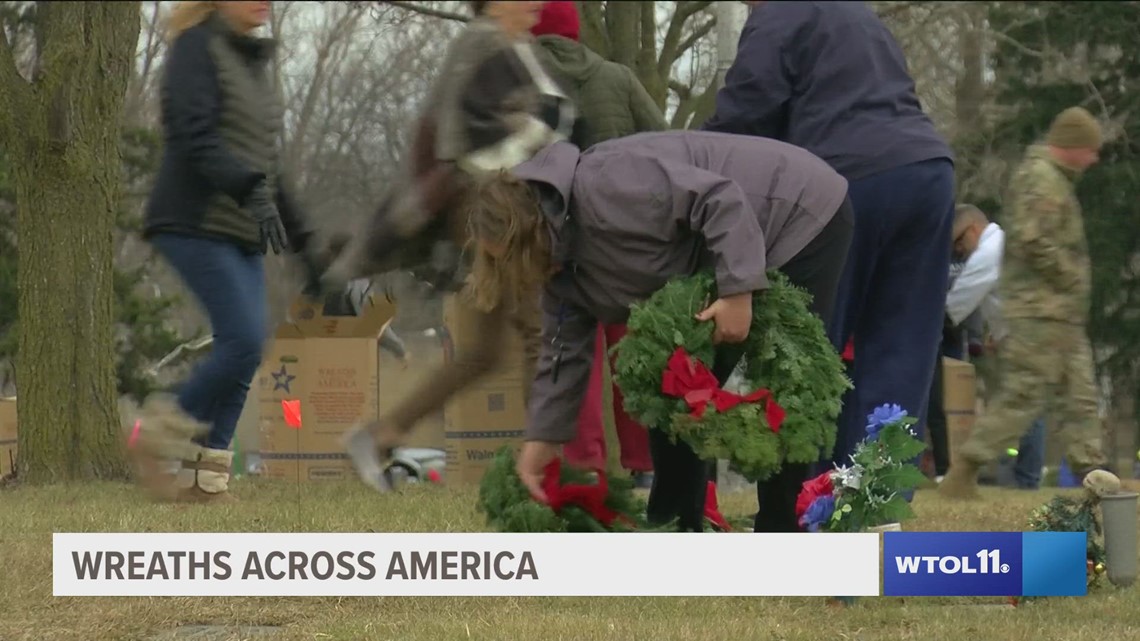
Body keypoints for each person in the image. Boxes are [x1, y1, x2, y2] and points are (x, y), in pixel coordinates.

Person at [463, 130, 853, 533]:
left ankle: (782, 533)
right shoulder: (561, 269)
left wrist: (738, 290)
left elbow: (719, 199)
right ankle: (675, 525)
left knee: (782, 380)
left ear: (531, 230)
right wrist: (541, 441)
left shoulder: (610, 186)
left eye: (513, 256)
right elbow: (563, 353)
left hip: (794, 210)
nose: (514, 269)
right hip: (723, 251)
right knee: (672, 385)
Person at [331, 0, 580, 492]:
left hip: (507, 203)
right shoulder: (482, 42)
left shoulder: (514, 48)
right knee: (537, 328)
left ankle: (381, 434)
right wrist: (535, 138)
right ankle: (548, 471)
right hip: (485, 206)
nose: (536, 6)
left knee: (485, 351)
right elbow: (462, 134)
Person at [702, 1, 956, 478]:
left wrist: (687, 166)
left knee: (810, 348)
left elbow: (746, 116)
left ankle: (806, 495)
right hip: (926, 173)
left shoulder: (778, 14)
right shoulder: (858, 16)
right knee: (901, 349)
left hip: (847, 181)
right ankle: (875, 495)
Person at [133, 0, 328, 503]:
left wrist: (310, 252)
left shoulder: (252, 61)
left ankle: (206, 479)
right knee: (244, 339)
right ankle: (158, 431)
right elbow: (195, 136)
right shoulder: (196, 48)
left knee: (246, 351)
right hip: (191, 220)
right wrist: (249, 189)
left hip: (241, 228)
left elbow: (270, 164)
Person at [529, 0, 668, 486]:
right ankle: (647, 467)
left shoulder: (521, 81)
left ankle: (583, 465)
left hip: (558, 236)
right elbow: (664, 142)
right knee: (632, 352)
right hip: (627, 234)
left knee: (570, 353)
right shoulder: (618, 77)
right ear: (575, 29)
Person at [940, 106, 1109, 499]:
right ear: (1071, 146)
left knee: (1081, 395)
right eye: (1090, 149)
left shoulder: (1055, 180)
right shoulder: (1040, 180)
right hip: (1038, 311)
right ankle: (964, 470)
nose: (1094, 158)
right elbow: (1032, 241)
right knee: (1024, 395)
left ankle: (1094, 476)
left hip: (1060, 313)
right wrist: (1070, 271)